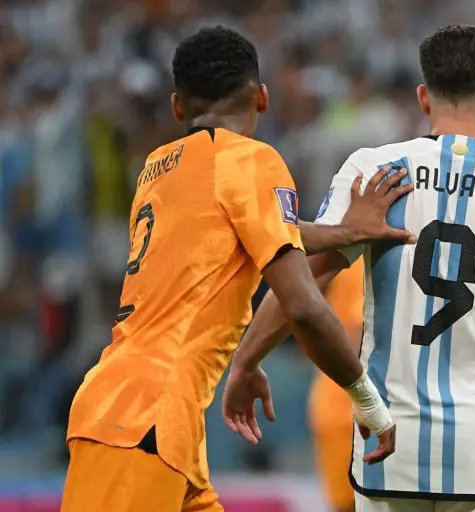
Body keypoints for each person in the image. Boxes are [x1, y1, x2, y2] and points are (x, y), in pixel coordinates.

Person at [223, 24, 475, 511]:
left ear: (423, 97)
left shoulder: (374, 171)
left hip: (390, 443)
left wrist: (246, 360)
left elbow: (301, 283)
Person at [62, 26, 408, 512]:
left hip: (145, 414)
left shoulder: (157, 167)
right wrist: (368, 400)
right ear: (262, 98)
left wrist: (343, 233)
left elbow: (242, 227)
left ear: (178, 106)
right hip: (143, 419)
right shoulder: (251, 160)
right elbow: (304, 307)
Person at [308, 260, 364, 512]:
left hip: (332, 404)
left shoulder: (348, 256)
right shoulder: (371, 261)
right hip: (358, 412)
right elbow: (361, 333)